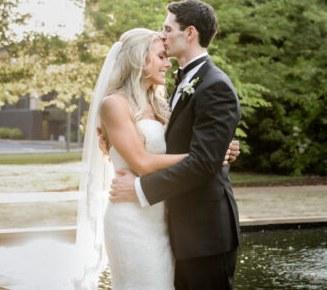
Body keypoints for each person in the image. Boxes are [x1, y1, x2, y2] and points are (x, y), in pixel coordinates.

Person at [74, 27, 238, 289]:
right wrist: (207, 157)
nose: (167, 62)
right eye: (161, 56)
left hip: (162, 217)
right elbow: (142, 162)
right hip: (131, 219)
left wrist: (220, 148)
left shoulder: (162, 104)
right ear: (141, 59)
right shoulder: (114, 104)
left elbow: (185, 142)